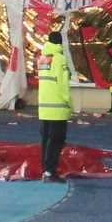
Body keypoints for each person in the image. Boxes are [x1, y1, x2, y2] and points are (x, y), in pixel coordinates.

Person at [35, 22, 73, 183]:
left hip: (44, 107)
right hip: (58, 107)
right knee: (56, 141)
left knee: (46, 140)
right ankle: (50, 172)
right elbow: (63, 84)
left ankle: (45, 170)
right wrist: (68, 103)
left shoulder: (43, 58)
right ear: (60, 43)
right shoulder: (59, 59)